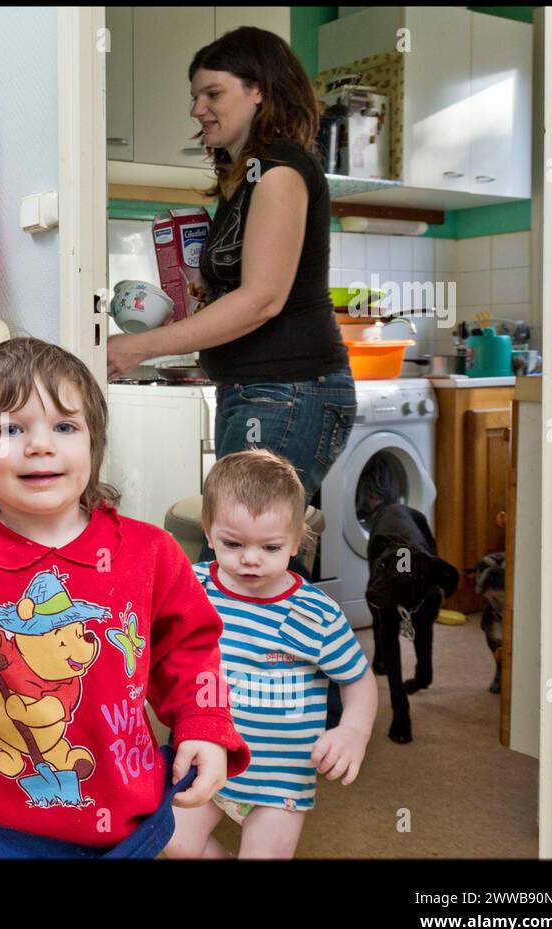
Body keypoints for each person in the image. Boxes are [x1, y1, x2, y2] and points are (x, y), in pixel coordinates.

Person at [0, 337, 250, 858]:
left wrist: (203, 725)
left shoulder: (151, 554)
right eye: (10, 429)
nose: (40, 445)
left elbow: (189, 650)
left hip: (123, 816)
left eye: (65, 427)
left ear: (94, 445)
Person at [106, 26, 359, 726]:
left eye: (212, 93)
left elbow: (265, 300)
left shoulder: (280, 171)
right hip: (262, 390)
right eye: (196, 96)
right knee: (266, 558)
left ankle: (303, 725)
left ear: (259, 91)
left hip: (291, 391)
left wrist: (141, 348)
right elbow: (242, 299)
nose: (198, 109)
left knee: (258, 558)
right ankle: (298, 716)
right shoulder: (244, 181)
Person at [165, 450, 376, 859]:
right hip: (209, 757)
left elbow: (356, 678)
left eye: (270, 547)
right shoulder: (193, 587)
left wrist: (353, 731)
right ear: (208, 534)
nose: (250, 559)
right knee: (172, 838)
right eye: (232, 543)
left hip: (280, 777)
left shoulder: (315, 615)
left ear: (297, 540)